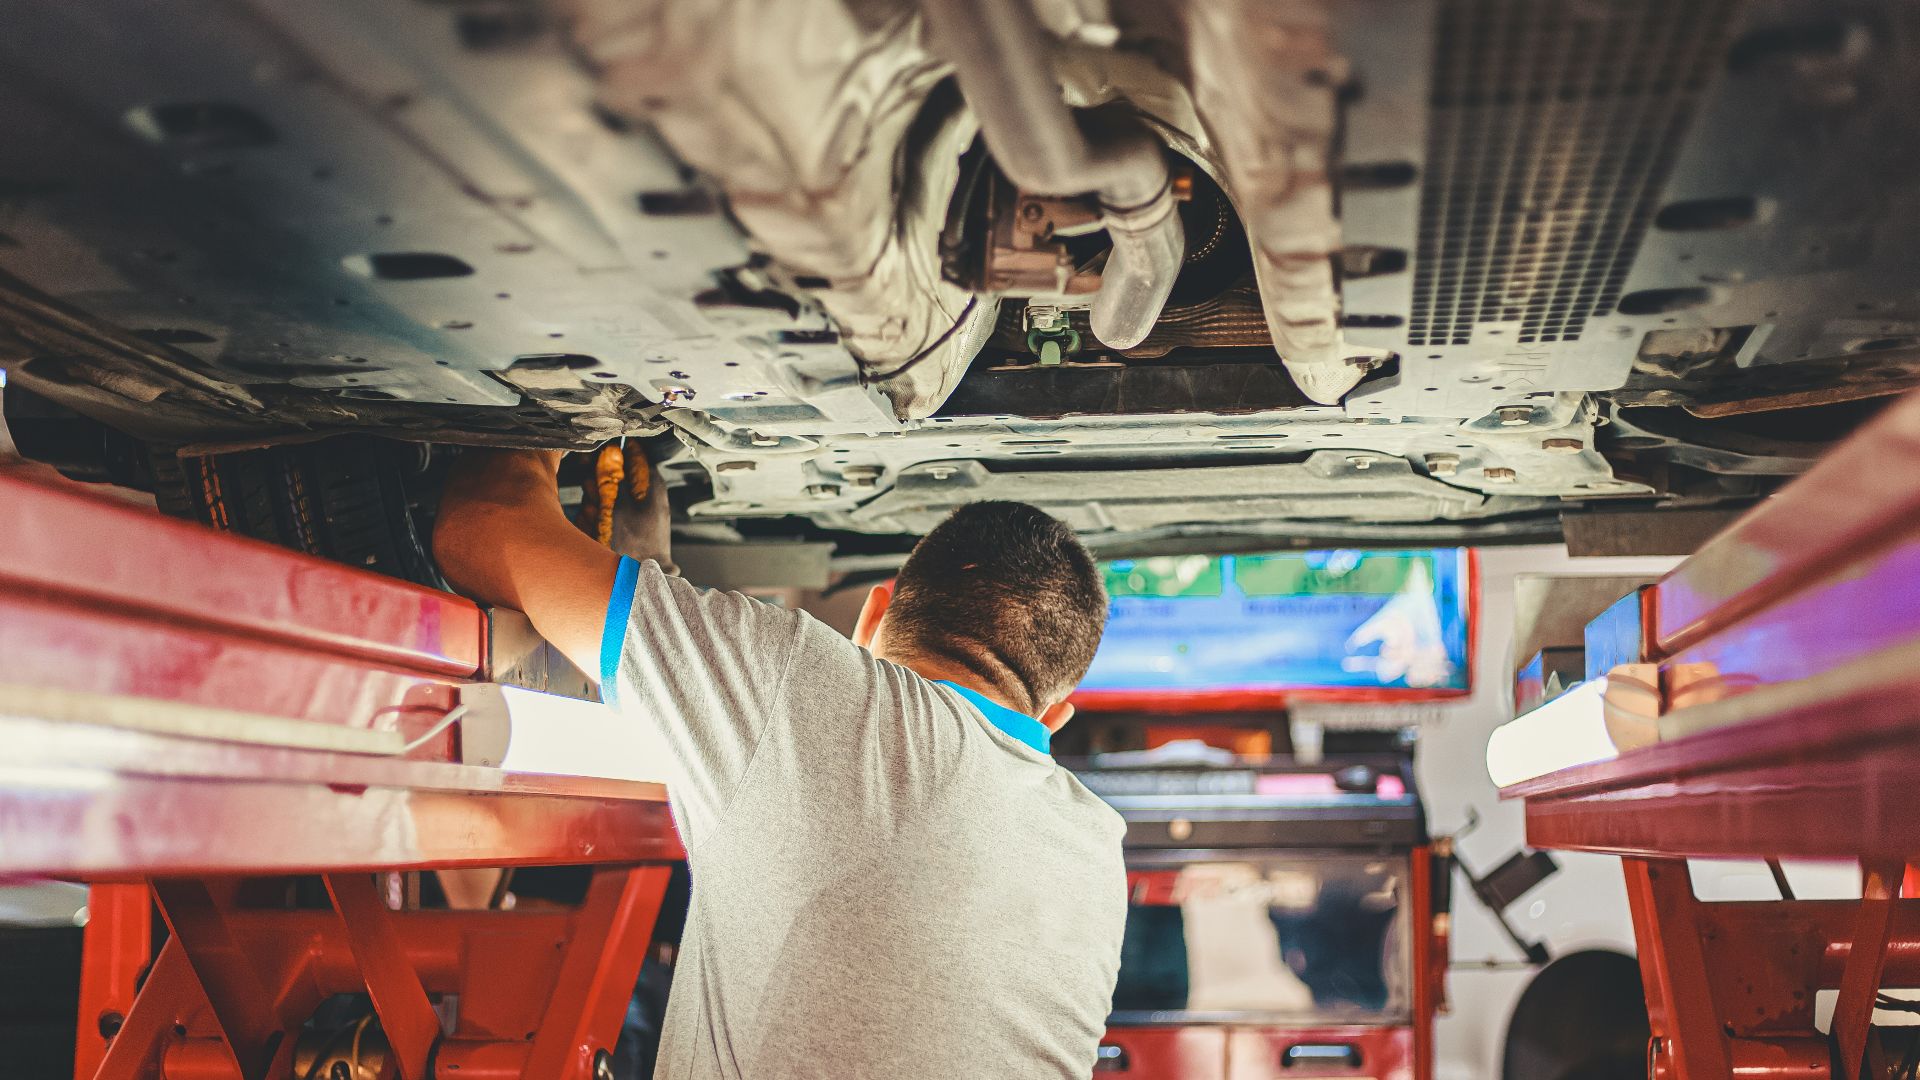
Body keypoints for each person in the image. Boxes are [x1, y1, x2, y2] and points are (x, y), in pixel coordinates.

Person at [433, 449, 1128, 1079]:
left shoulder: (812, 692)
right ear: (1053, 718)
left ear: (871, 615)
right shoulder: (1096, 852)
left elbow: (481, 526)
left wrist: (543, 435)